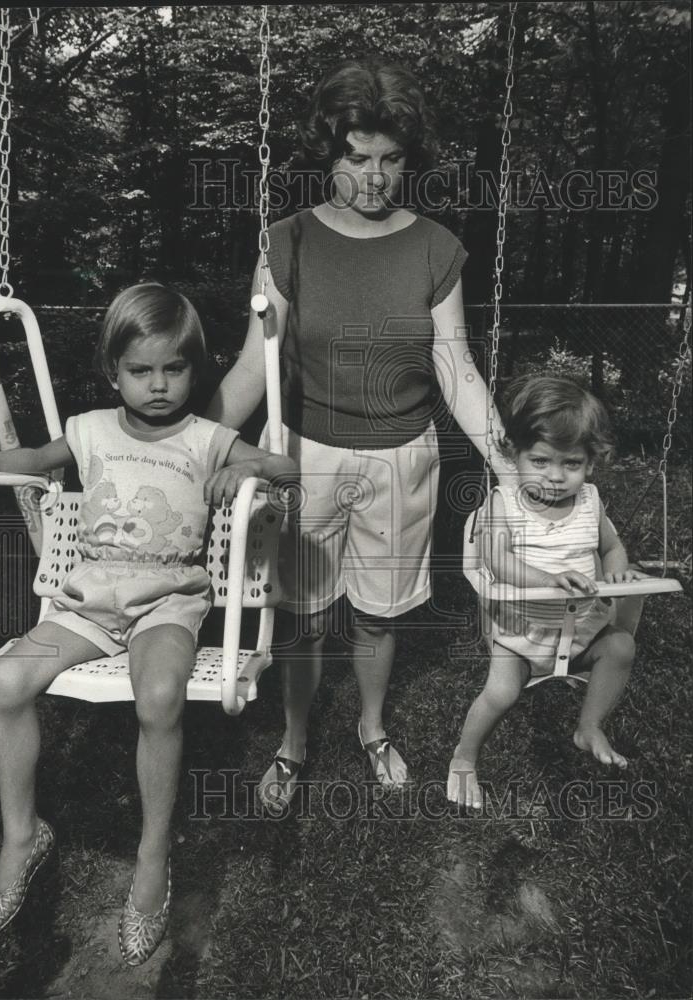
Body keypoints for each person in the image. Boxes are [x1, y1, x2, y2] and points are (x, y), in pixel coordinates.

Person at [0, 284, 297, 965]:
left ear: (194, 371)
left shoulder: (207, 438)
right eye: (141, 371)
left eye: (174, 369)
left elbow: (285, 467)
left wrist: (250, 467)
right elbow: (37, 459)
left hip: (169, 604)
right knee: (4, 682)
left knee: (161, 697)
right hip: (91, 604)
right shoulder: (88, 429)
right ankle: (23, 835)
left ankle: (151, 857)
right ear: (113, 372)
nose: (159, 385)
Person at [206, 57, 510, 814]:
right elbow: (252, 368)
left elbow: (457, 369)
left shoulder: (436, 249)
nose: (373, 177)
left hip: (403, 459)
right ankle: (294, 739)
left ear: (409, 159)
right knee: (304, 614)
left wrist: (509, 464)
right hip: (303, 454)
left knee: (378, 612)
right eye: (357, 156)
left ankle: (372, 728)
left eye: (391, 159)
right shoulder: (289, 241)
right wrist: (189, 448)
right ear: (330, 152)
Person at [447, 376, 644, 810]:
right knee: (501, 694)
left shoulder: (590, 501)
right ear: (513, 454)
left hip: (580, 630)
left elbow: (611, 547)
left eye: (570, 464)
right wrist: (545, 579)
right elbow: (496, 559)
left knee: (621, 647)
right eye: (539, 461)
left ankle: (588, 725)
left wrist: (618, 573)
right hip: (521, 631)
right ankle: (464, 757)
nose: (555, 477)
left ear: (590, 464)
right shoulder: (505, 502)